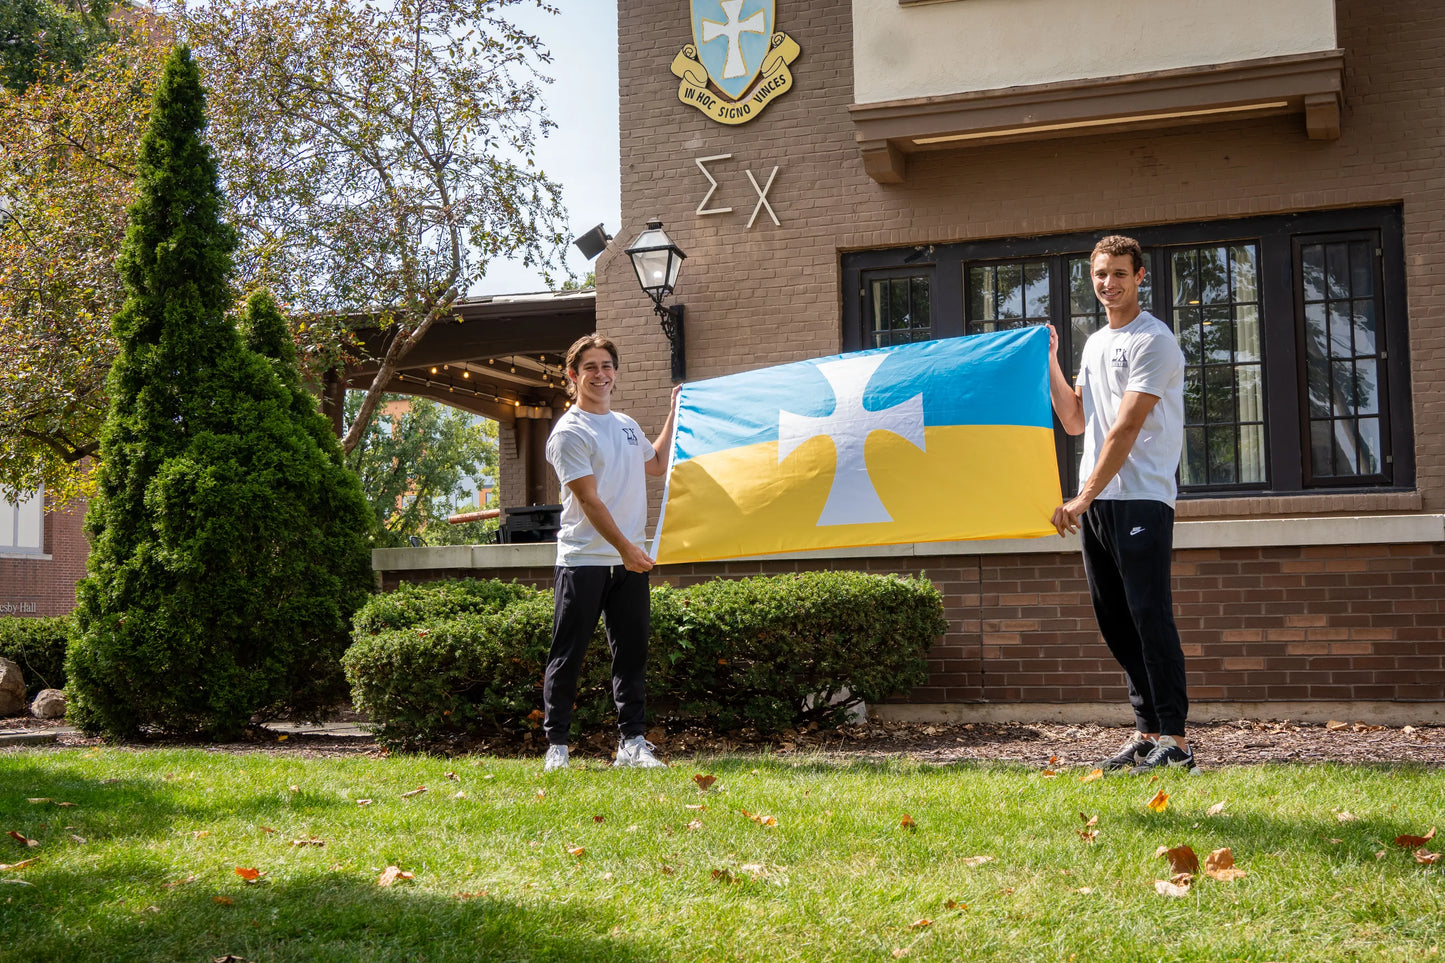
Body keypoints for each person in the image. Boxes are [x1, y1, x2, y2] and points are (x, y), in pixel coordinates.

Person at [1047, 235, 1194, 774]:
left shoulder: (1154, 342)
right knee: (1115, 621)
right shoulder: (1093, 344)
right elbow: (1077, 421)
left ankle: (1176, 743)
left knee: (1149, 616)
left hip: (1139, 499)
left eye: (1119, 274)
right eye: (1100, 274)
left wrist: (1083, 495)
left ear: (1140, 278)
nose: (1108, 284)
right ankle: (1146, 734)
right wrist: (1049, 361)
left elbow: (1127, 426)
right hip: (1100, 502)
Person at [540, 333, 679, 771]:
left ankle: (631, 745)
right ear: (572, 375)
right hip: (584, 560)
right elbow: (589, 500)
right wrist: (625, 549)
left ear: (615, 372)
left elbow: (655, 464)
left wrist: (678, 413)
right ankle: (557, 747)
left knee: (632, 652)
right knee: (568, 653)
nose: (600, 375)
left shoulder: (624, 423)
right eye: (590, 368)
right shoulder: (569, 432)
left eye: (606, 366)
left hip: (629, 560)